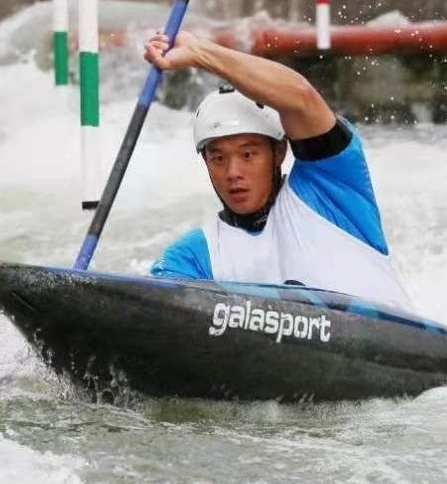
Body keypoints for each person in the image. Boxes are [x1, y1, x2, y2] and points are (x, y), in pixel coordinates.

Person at [145, 30, 413, 311]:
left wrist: (202, 52)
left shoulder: (330, 185)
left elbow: (301, 98)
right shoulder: (195, 255)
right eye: (218, 158)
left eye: (248, 154)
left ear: (280, 151)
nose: (233, 172)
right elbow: (152, 315)